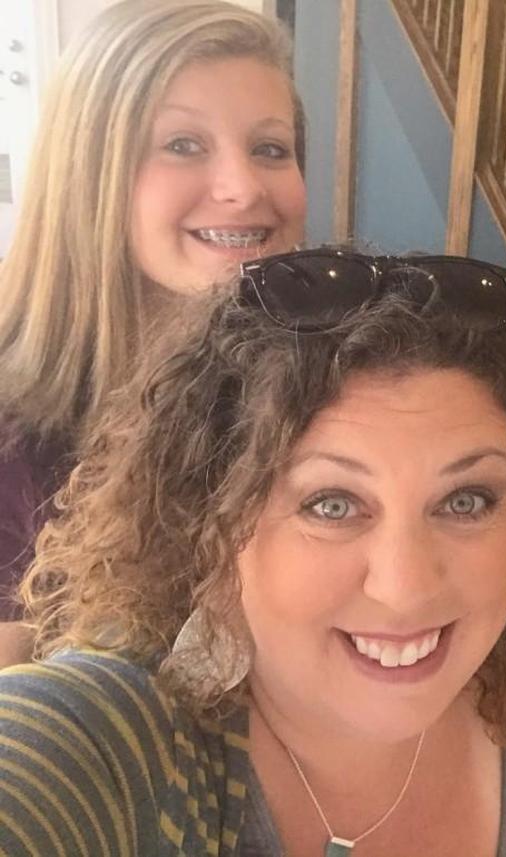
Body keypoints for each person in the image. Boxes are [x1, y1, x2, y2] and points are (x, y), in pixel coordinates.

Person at [0, 251, 506, 856]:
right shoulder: (113, 747)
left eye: (466, 502)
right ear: (212, 525)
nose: (406, 586)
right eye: (331, 505)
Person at [0, 0, 307, 665]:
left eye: (270, 148)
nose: (243, 187)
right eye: (183, 145)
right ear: (90, 172)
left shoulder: (323, 382)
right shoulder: (15, 434)